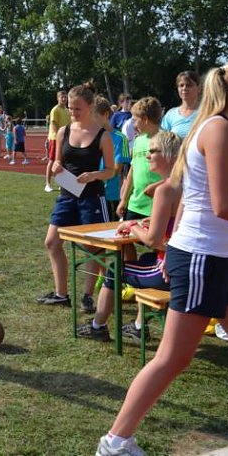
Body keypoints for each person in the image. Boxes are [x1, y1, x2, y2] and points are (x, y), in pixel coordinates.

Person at [96, 57, 228, 456]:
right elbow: (222, 206)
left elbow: (198, 199)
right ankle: (115, 443)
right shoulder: (217, 129)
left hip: (219, 257)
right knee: (172, 359)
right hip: (202, 258)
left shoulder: (226, 130)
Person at [77, 130, 181, 344]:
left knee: (115, 269)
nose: (147, 156)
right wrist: (146, 223)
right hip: (184, 264)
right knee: (143, 261)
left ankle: (98, 326)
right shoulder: (183, 183)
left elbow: (153, 240)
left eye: (153, 151)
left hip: (171, 271)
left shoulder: (166, 189)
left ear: (169, 155)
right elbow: (173, 225)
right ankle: (138, 326)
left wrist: (132, 225)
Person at [38, 82, 114, 311]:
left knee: (93, 247)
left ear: (90, 106)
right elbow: (58, 160)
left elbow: (111, 170)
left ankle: (87, 296)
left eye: (77, 108)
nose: (72, 112)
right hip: (67, 194)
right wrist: (57, 168)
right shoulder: (64, 131)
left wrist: (93, 175)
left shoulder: (103, 136)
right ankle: (61, 293)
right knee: (52, 242)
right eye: (70, 108)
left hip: (92, 197)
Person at [117, 97, 164, 261]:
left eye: (135, 120)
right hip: (135, 204)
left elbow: (177, 173)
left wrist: (157, 186)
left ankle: (158, 274)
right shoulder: (138, 141)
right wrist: (124, 199)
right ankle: (130, 277)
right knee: (124, 240)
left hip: (155, 206)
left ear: (145, 119)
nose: (134, 124)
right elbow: (132, 171)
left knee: (158, 244)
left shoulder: (165, 140)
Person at [160, 70, 201, 138]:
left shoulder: (206, 112)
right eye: (181, 85)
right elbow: (162, 140)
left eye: (189, 85)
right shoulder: (171, 115)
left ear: (199, 88)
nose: (184, 88)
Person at [45, 91, 71, 192]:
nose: (64, 99)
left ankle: (61, 183)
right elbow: (54, 126)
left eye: (65, 97)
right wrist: (61, 137)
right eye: (62, 97)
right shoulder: (55, 110)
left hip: (65, 139)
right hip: (55, 139)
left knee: (62, 162)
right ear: (58, 98)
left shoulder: (67, 110)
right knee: (52, 160)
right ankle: (47, 184)